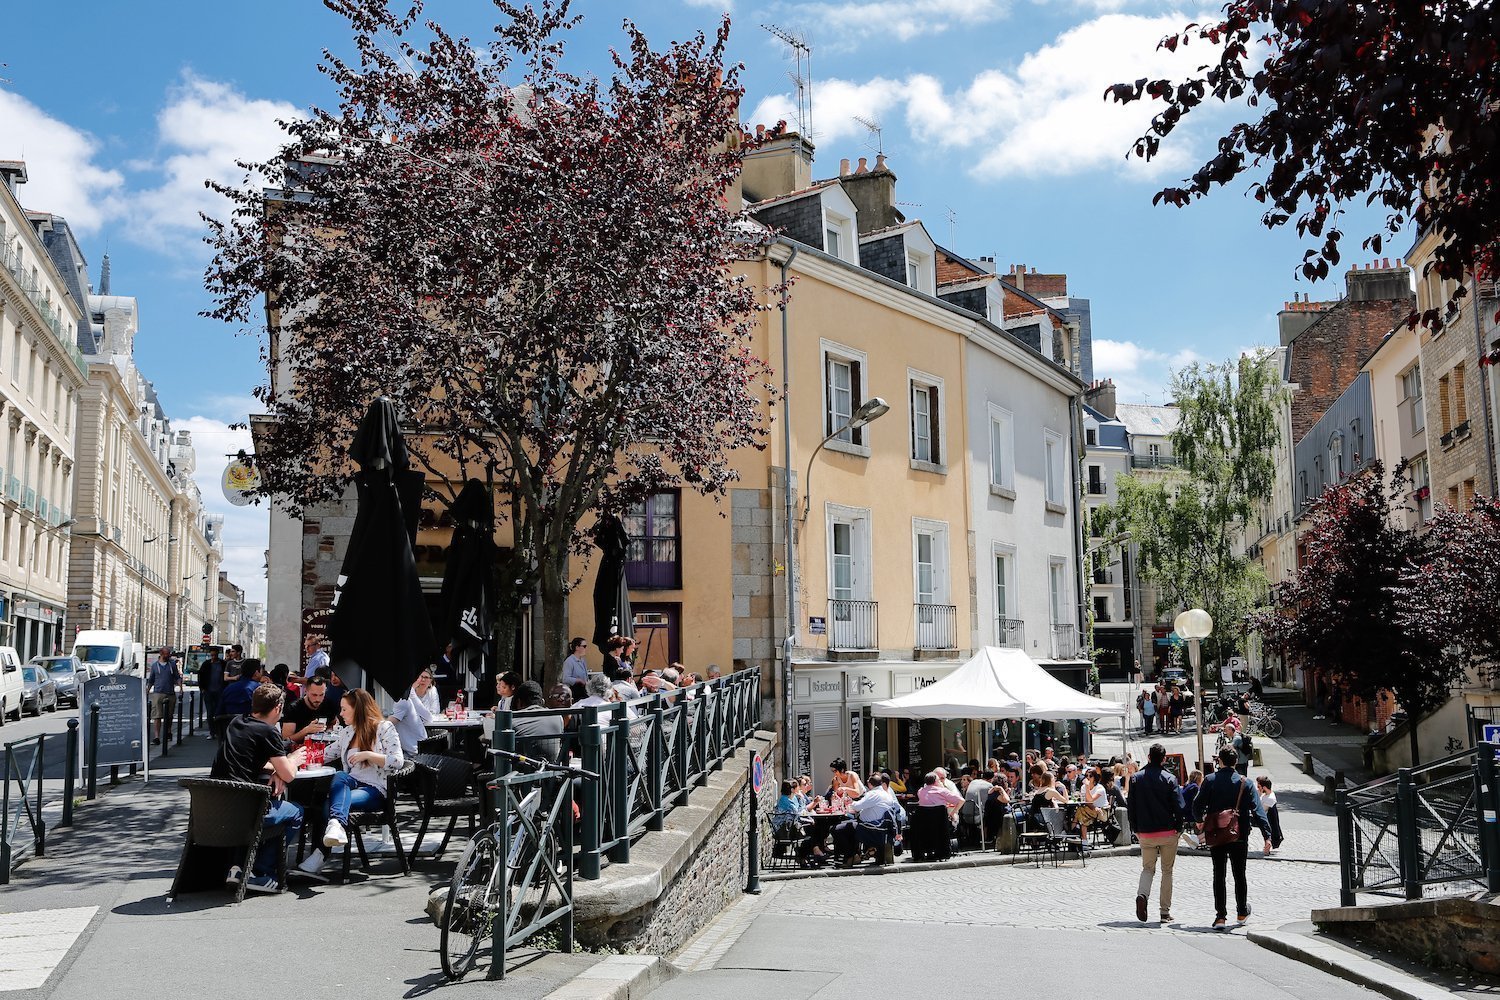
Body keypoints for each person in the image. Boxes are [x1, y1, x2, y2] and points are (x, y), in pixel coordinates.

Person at [295, 688, 404, 882]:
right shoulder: (348, 732)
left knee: (331, 803)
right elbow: (326, 754)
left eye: (345, 709)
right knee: (340, 776)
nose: (341, 714)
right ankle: (334, 828)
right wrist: (296, 758)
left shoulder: (384, 728)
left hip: (376, 789)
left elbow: (397, 761)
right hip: (351, 784)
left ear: (358, 709)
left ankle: (320, 855)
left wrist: (368, 755)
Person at [212, 683, 306, 892]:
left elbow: (246, 760)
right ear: (277, 708)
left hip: (215, 810)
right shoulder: (268, 732)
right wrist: (293, 759)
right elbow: (289, 775)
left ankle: (238, 868)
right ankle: (259, 871)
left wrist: (275, 770)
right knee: (296, 811)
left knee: (265, 803)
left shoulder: (236, 723)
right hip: (246, 812)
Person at [1194, 746, 1272, 929]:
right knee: (1239, 874)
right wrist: (1267, 835)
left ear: (1219, 761)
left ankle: (1220, 916)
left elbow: (1197, 804)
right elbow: (1258, 810)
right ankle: (1242, 911)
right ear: (1236, 762)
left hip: (1216, 833)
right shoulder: (1246, 783)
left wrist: (1199, 822)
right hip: (1239, 834)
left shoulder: (1210, 780)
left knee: (1218, 874)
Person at [1127, 743, 1186, 923]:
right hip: (1168, 831)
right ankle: (1164, 912)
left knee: (1147, 868)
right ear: (1164, 759)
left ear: (1149, 758)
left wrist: (1135, 828)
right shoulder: (1170, 778)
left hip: (1145, 832)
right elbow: (1179, 806)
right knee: (1167, 871)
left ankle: (1142, 895)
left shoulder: (1136, 778)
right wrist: (1179, 827)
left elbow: (1131, 807)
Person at [387, 668, 441, 755]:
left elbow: (387, 724)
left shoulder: (404, 699)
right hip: (420, 747)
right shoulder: (407, 696)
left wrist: (373, 726)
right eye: (421, 677)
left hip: (413, 753)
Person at [511, 680, 565, 762]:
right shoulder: (558, 717)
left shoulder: (512, 721)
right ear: (542, 701)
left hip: (520, 771)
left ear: (519, 702)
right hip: (550, 769)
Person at [282, 675, 339, 742]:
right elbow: (286, 740)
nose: (318, 699)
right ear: (306, 691)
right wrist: (306, 730)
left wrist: (328, 731)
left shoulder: (328, 704)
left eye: (321, 695)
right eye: (314, 695)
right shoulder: (293, 708)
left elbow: (333, 723)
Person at [148, 647, 182, 746]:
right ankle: (157, 737)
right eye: (166, 654)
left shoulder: (172, 665)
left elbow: (177, 677)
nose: (168, 656)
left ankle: (168, 732)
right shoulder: (155, 666)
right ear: (161, 654)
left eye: (169, 654)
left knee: (169, 716)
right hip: (158, 693)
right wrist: (147, 690)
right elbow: (151, 680)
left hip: (170, 693)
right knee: (157, 716)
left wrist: (181, 688)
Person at [201, 647, 228, 740]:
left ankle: (218, 731)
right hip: (208, 691)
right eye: (212, 655)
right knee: (210, 713)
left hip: (220, 691)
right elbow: (201, 675)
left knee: (219, 712)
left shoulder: (223, 664)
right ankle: (212, 732)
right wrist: (202, 688)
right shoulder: (206, 664)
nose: (213, 657)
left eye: (215, 655)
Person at [1074, 768, 1110, 840]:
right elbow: (1085, 801)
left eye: (1090, 776)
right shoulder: (1083, 787)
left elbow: (1090, 800)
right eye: (1086, 776)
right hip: (1090, 810)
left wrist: (1087, 787)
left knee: (1080, 811)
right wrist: (1093, 807)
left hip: (1102, 811)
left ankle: (1073, 830)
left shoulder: (1100, 788)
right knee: (1082, 815)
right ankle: (1084, 841)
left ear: (1095, 777)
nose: (1088, 778)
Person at [1256, 776, 1284, 855]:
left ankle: (1267, 845)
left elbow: (1261, 810)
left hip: (1264, 818)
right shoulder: (1268, 794)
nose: (1257, 788)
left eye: (1259, 786)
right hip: (1264, 818)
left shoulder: (1270, 799)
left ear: (1264, 787)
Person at [1179, 770, 1204, 848]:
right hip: (1189, 814)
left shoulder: (1187, 786)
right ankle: (1199, 840)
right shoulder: (1195, 788)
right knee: (1206, 819)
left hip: (1183, 812)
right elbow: (1197, 803)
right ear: (1199, 778)